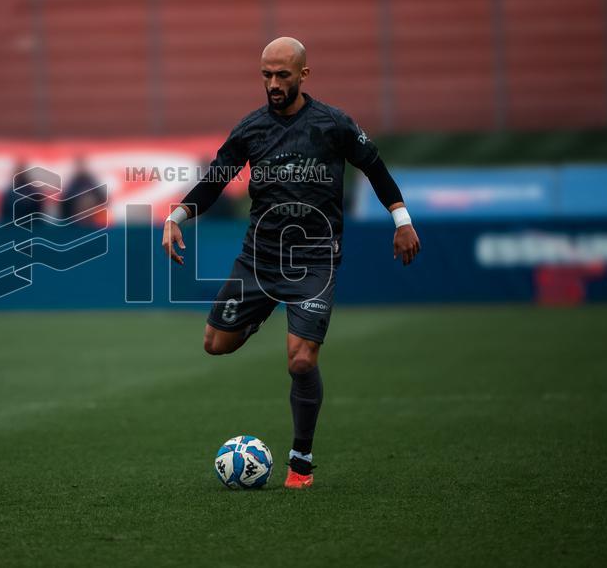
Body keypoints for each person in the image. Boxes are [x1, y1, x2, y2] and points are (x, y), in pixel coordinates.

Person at [161, 37, 420, 490]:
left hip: (315, 260)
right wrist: (177, 215)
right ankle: (262, 313)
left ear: (304, 74)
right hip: (259, 259)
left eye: (283, 75)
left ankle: (300, 463)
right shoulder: (251, 129)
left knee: (301, 361)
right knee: (215, 345)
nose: (274, 83)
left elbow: (375, 168)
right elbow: (215, 180)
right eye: (266, 75)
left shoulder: (333, 124)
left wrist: (401, 219)